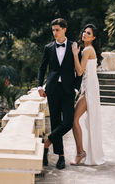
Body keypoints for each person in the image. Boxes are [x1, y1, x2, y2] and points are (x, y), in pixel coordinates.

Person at [38, 18, 82, 169]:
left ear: (64, 29)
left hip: (68, 90)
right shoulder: (48, 47)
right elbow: (42, 68)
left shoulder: (74, 47)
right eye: (53, 30)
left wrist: (76, 89)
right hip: (52, 90)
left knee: (68, 122)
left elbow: (79, 71)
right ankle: (61, 157)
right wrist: (39, 86)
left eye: (57, 30)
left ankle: (46, 144)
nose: (54, 33)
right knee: (56, 122)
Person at [71, 24, 105, 166]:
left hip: (90, 89)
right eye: (84, 31)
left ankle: (80, 153)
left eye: (88, 33)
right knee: (75, 120)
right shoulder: (89, 49)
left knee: (74, 120)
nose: (85, 34)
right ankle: (81, 152)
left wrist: (74, 54)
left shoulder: (87, 50)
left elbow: (79, 71)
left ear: (93, 37)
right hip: (89, 88)